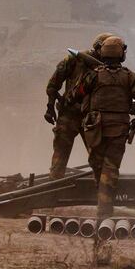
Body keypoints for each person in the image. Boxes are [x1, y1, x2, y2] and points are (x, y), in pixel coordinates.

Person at [69, 36, 135, 218]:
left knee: (98, 167)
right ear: (122, 55)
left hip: (95, 129)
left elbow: (75, 94)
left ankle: (104, 210)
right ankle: (105, 207)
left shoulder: (93, 76)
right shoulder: (131, 77)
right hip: (118, 130)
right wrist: (134, 107)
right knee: (110, 169)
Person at [44, 32, 113, 179]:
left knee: (97, 157)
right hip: (69, 114)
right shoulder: (74, 60)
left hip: (92, 117)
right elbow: (53, 85)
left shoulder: (109, 67)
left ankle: (100, 189)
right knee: (60, 155)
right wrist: (50, 107)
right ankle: (54, 188)